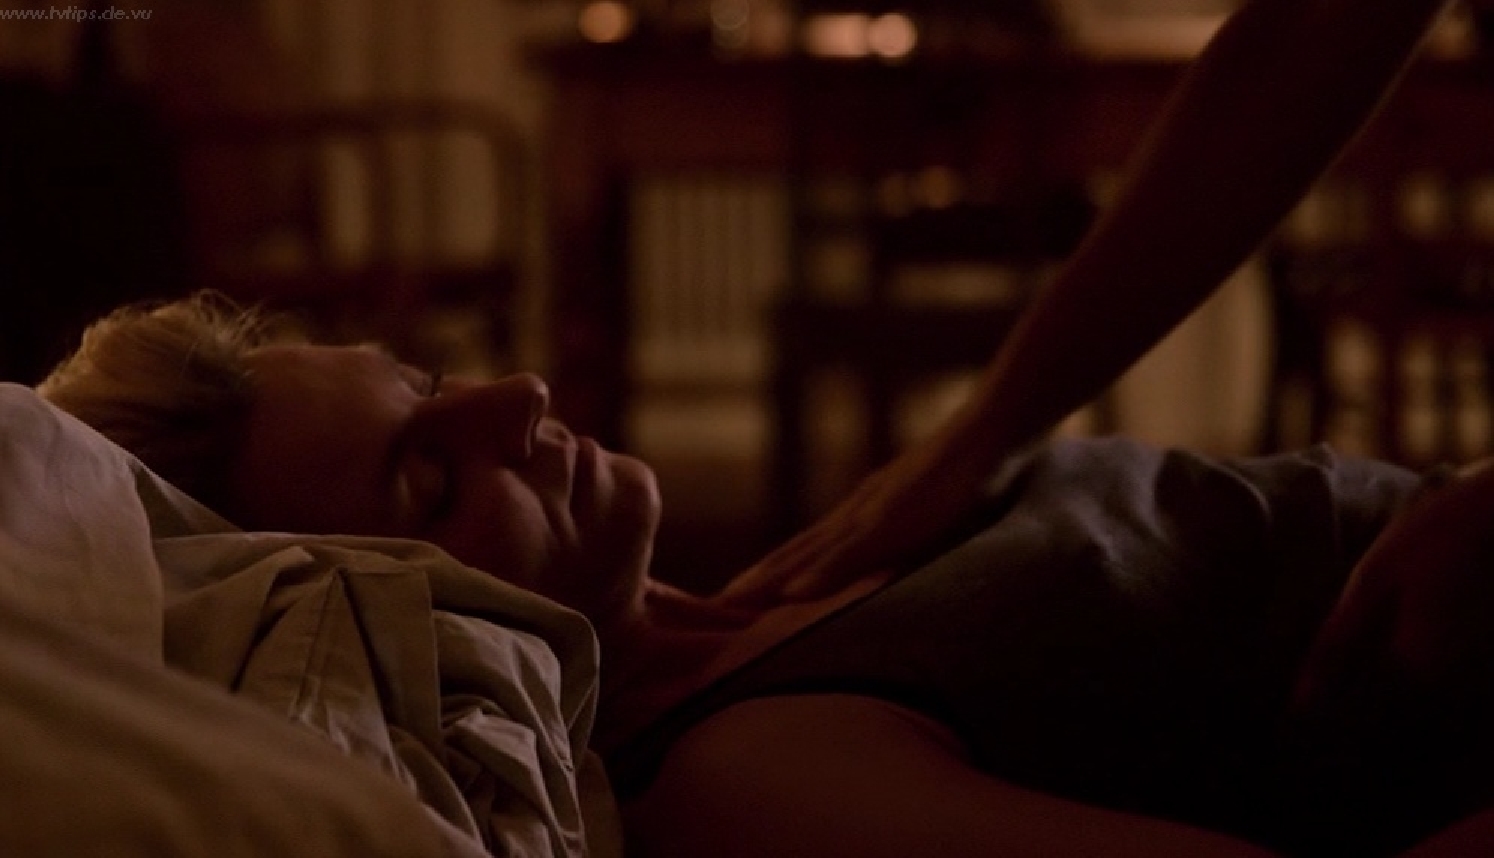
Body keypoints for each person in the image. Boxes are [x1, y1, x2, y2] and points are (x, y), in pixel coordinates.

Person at [34, 292, 1494, 856]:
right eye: (429, 474)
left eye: (429, 378)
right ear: (374, 604)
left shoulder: (831, 552)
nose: (520, 397)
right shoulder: (752, 776)